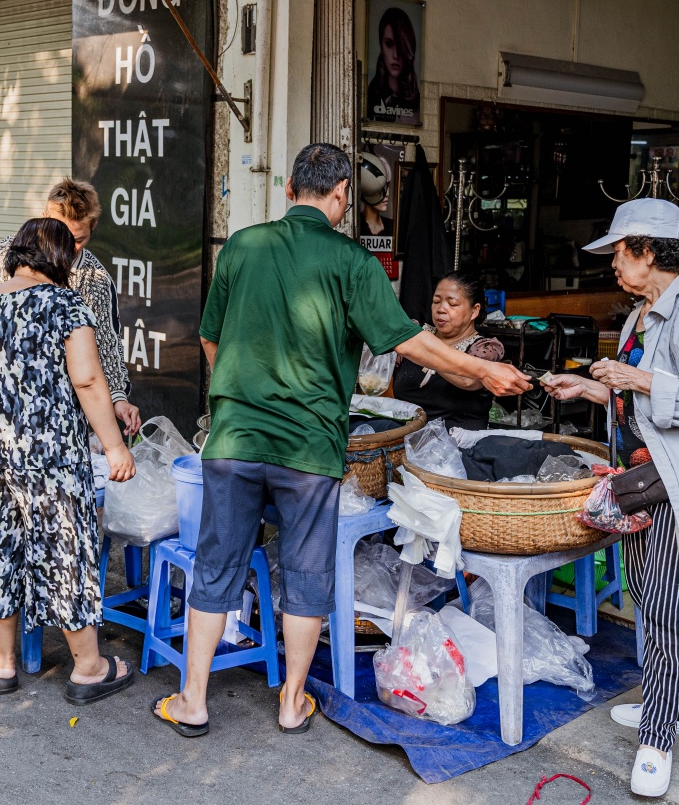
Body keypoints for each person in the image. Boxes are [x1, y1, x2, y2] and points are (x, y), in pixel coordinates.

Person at [153, 143, 532, 737]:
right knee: (307, 574)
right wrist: (484, 371)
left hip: (234, 440)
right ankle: (292, 702)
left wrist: (236, 396)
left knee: (217, 564)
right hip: (309, 450)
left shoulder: (243, 247)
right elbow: (407, 340)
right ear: (340, 197)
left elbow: (210, 341)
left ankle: (194, 701)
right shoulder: (353, 262)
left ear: (288, 192)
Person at [540, 198, 679, 798]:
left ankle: (658, 739)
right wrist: (587, 388)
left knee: (667, 614)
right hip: (640, 480)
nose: (613, 267)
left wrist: (640, 378)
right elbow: (633, 400)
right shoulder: (641, 316)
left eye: (619, 254)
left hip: (677, 486)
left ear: (648, 252)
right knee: (651, 600)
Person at [0, 217, 138, 700]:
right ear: (60, 261)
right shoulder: (64, 305)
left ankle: (0, 663)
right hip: (52, 461)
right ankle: (89, 669)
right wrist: (115, 446)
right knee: (65, 558)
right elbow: (89, 381)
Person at [0, 178, 140, 436]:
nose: (67, 248)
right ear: (43, 218)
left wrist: (118, 397)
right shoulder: (9, 253)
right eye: (60, 235)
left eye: (78, 240)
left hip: (63, 416)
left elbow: (106, 343)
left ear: (93, 228)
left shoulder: (97, 279)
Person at [391, 272, 505, 432]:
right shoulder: (416, 334)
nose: (441, 309)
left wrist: (420, 350)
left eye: (452, 304)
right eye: (436, 302)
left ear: (474, 310)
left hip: (457, 447)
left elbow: (468, 380)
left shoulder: (486, 348)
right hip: (406, 439)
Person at [366, 6, 420, 125]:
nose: (395, 55)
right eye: (389, 44)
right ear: (381, 46)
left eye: (401, 46)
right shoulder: (371, 95)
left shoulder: (416, 99)